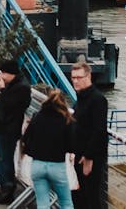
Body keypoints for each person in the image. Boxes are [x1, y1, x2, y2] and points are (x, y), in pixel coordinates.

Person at [0, 59, 30, 204]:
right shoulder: (14, 84)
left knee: (5, 159)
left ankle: (8, 186)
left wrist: (3, 88)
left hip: (9, 129)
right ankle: (6, 185)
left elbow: (10, 105)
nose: (1, 76)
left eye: (4, 73)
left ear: (11, 74)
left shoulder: (22, 88)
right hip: (1, 128)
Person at [21, 91, 75, 209]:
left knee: (42, 203)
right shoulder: (66, 120)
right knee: (66, 202)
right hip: (57, 166)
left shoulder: (37, 116)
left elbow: (26, 138)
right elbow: (71, 146)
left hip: (37, 165)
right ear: (63, 104)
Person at [68, 61, 108, 209]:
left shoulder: (98, 99)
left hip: (90, 157)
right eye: (73, 78)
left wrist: (89, 157)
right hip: (78, 155)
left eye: (79, 77)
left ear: (88, 76)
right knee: (78, 196)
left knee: (90, 196)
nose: (76, 81)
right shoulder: (80, 99)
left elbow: (99, 130)